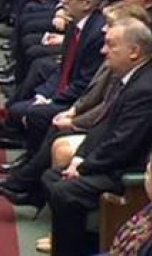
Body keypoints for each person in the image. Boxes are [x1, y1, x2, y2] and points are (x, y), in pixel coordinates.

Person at [42, 17, 152, 255]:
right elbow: (102, 127)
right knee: (52, 177)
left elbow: (123, 145)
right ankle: (75, 245)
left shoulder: (145, 89)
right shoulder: (128, 78)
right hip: (112, 162)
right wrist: (78, 159)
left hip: (127, 171)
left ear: (134, 51)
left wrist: (83, 168)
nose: (104, 51)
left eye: (111, 45)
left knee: (64, 190)